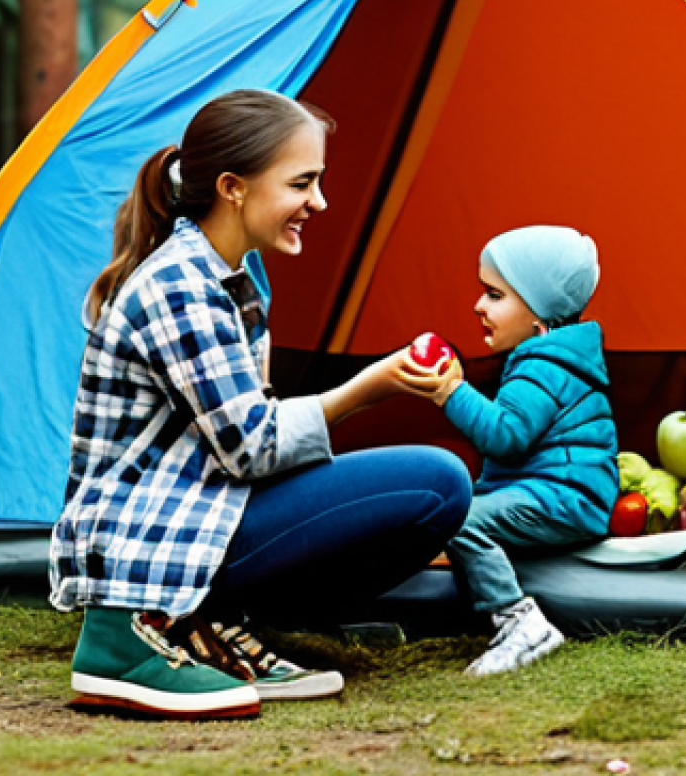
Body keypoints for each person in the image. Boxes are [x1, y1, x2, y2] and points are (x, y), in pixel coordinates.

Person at [50, 89, 472, 720]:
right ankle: (123, 638)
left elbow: (243, 442)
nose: (319, 203)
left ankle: (210, 622)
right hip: (147, 538)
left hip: (206, 510)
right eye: (302, 183)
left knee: (430, 492)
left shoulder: (230, 279)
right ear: (233, 187)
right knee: (435, 481)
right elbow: (252, 446)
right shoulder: (181, 286)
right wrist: (367, 387)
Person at [398, 226, 618, 676]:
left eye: (494, 294)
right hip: (562, 492)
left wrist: (449, 390)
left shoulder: (542, 365)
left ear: (537, 312)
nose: (479, 305)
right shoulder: (551, 358)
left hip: (564, 497)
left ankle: (521, 623)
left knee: (461, 519)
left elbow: (505, 435)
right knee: (461, 513)